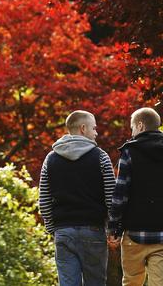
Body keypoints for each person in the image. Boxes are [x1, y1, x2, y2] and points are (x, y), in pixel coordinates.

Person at [108, 107, 163, 286]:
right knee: (160, 283)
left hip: (134, 233)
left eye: (132, 128)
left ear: (140, 126)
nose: (131, 133)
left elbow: (120, 194)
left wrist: (114, 227)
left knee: (131, 282)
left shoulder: (130, 151)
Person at [39, 110, 116, 286]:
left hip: (63, 231)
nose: (96, 133)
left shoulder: (50, 159)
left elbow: (44, 200)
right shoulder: (101, 157)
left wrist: (53, 228)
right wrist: (112, 228)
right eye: (94, 128)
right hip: (93, 230)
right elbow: (111, 198)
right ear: (83, 128)